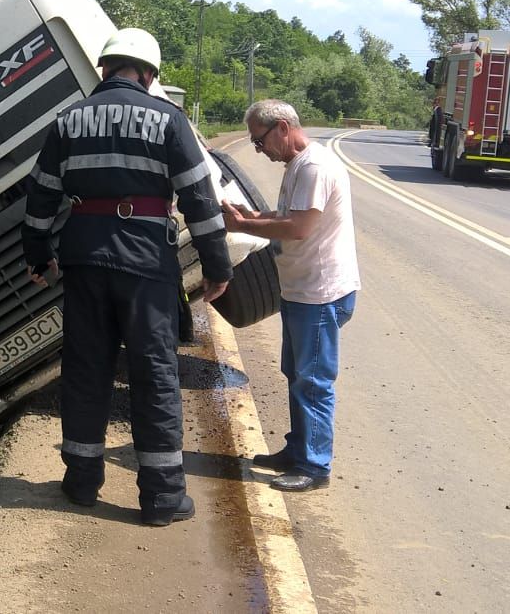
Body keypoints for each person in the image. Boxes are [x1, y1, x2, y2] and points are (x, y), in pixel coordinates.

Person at [22, 27, 231, 526]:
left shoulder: (67, 121)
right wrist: (218, 265)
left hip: (84, 261)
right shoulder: (169, 120)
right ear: (150, 74)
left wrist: (38, 256)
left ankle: (80, 483)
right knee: (154, 373)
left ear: (105, 68)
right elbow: (200, 200)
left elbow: (40, 198)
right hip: (144, 264)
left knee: (86, 369)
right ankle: (161, 498)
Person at [222, 100, 360, 492]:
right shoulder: (298, 166)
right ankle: (299, 449)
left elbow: (298, 227)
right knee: (297, 375)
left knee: (312, 381)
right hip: (302, 291)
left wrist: (246, 223)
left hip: (320, 294)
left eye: (259, 141)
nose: (259, 150)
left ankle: (315, 467)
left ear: (282, 128)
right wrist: (247, 217)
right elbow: (283, 217)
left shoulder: (314, 167)